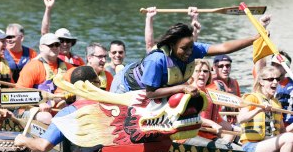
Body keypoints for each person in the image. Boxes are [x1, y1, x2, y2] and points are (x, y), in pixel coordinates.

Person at [0, 66, 102, 152]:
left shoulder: (67, 113)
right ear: (97, 84)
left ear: (73, 87)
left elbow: (43, 146)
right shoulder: (107, 108)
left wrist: (23, 140)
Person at [110, 13, 259, 99]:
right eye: (184, 48)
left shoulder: (194, 49)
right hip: (125, 87)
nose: (189, 52)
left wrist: (253, 39)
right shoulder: (157, 59)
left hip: (154, 90)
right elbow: (150, 93)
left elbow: (223, 47)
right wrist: (182, 87)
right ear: (172, 45)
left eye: (191, 47)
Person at [16, 33, 73, 124]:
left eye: (57, 44)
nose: (54, 47)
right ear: (41, 47)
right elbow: (18, 94)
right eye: (51, 45)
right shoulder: (32, 67)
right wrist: (39, 102)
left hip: (57, 110)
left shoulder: (69, 68)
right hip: (29, 110)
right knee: (46, 117)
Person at [237, 65, 293, 152]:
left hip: (269, 145)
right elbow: (240, 119)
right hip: (251, 146)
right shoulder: (252, 98)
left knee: (290, 137)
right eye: (270, 79)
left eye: (277, 79)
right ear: (261, 82)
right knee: (290, 138)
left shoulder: (277, 104)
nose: (275, 82)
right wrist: (259, 109)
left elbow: (282, 130)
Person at [185, 59, 241, 149]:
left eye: (205, 71)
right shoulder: (188, 92)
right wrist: (212, 124)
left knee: (236, 140)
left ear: (209, 74)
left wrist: (234, 128)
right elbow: (191, 117)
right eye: (198, 71)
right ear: (191, 73)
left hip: (209, 136)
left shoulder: (210, 94)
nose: (202, 73)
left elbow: (217, 119)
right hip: (190, 136)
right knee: (232, 148)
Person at [41, 0, 85, 66]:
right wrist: (48, 8)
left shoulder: (78, 60)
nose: (65, 44)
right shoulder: (51, 56)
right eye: (61, 40)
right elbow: (44, 33)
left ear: (71, 43)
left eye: (67, 41)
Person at [211, 54, 241, 124]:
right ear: (214, 68)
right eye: (221, 66)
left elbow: (239, 105)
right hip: (219, 122)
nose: (225, 69)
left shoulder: (235, 82)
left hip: (233, 122)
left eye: (228, 66)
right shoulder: (210, 82)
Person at [0, 29, 13, 101]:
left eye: (6, 41)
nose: (5, 44)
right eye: (2, 41)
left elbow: (12, 87)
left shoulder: (5, 64)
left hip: (5, 103)